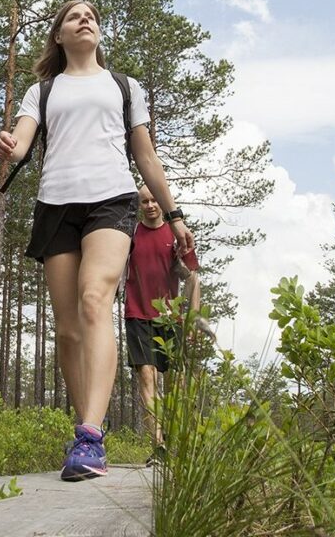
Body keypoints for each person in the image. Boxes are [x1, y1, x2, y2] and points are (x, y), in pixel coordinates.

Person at [0, 0, 194, 482]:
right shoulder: (42, 91)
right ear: (59, 36)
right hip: (56, 205)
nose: (85, 20)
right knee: (67, 329)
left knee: (93, 300)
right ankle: (85, 433)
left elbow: (145, 155)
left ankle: (89, 435)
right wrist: (7, 145)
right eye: (73, 17)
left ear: (99, 33)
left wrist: (174, 214)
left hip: (111, 199)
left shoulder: (125, 87)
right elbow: (20, 144)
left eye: (92, 16)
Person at [124, 184, 202, 463]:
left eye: (154, 200)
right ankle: (157, 447)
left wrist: (192, 319)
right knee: (146, 377)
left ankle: (176, 440)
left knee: (175, 383)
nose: (150, 205)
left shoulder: (177, 234)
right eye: (144, 201)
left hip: (170, 318)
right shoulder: (129, 233)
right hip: (136, 314)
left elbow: (192, 277)